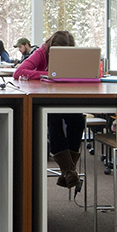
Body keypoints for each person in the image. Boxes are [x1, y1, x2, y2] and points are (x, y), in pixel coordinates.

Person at [15, 31, 87, 192]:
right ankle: (69, 170)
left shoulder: (74, 56)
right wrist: (49, 75)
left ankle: (68, 171)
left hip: (68, 98)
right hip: (46, 100)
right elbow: (19, 72)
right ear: (51, 49)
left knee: (78, 120)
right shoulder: (41, 52)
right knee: (54, 118)